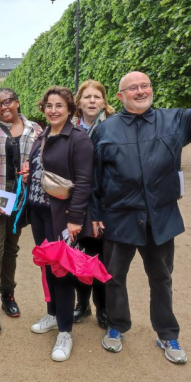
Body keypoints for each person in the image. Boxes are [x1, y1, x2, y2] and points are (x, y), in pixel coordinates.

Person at [92, 44, 191, 364]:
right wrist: (94, 214)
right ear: (120, 96)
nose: (140, 91)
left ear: (151, 90)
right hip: (120, 218)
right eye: (133, 87)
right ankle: (116, 326)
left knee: (162, 278)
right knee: (114, 277)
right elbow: (93, 178)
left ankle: (167, 335)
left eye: (145, 86)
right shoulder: (104, 131)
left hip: (161, 217)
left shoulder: (175, 121)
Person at [25, 86, 94, 362]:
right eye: (49, 105)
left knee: (62, 271)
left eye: (59, 106)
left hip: (62, 216)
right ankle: (53, 314)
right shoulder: (42, 134)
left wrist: (76, 219)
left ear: (69, 109)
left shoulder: (78, 138)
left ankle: (65, 331)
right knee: (48, 268)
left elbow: (84, 181)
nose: (53, 110)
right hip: (39, 211)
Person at [0, 88, 41, 334]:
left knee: (11, 250)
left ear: (17, 102)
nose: (4, 107)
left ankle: (8, 294)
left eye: (8, 101)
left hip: (20, 200)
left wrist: (33, 172)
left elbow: (43, 161)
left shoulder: (35, 129)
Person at [71, 80, 115, 327]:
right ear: (79, 102)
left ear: (104, 101)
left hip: (104, 203)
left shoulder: (114, 126)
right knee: (80, 256)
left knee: (101, 259)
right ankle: (82, 304)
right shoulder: (69, 127)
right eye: (87, 97)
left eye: (96, 97)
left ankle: (103, 308)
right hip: (77, 203)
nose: (92, 101)